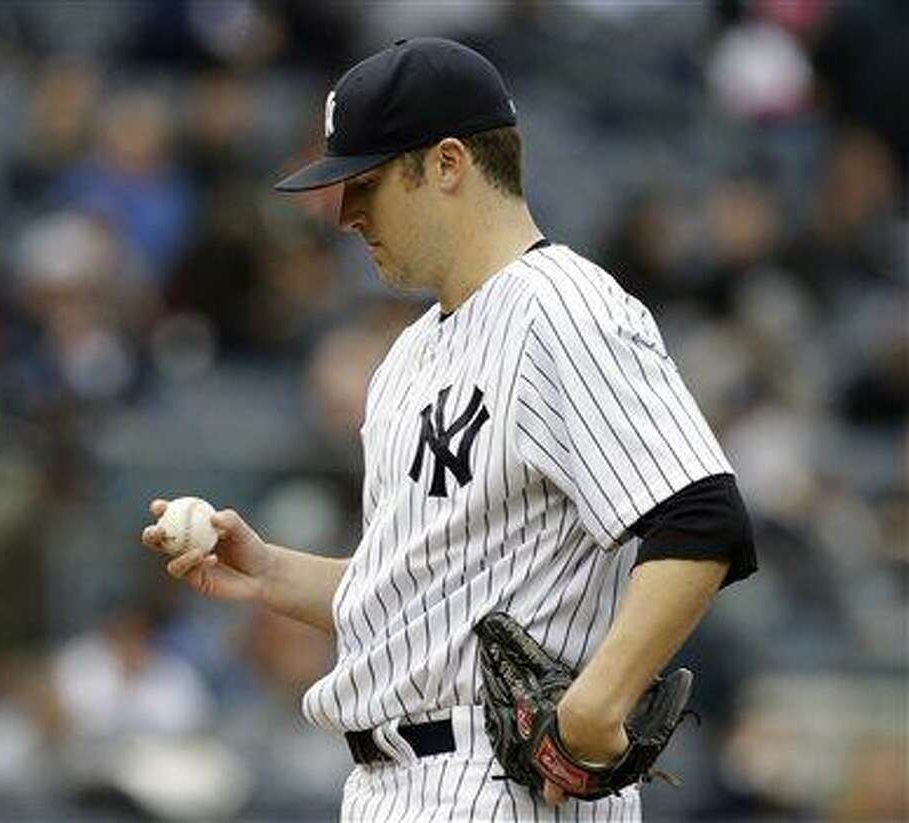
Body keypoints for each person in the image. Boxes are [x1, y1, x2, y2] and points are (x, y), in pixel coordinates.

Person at [141, 37, 756, 821]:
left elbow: (701, 516)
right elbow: (427, 599)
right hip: (390, 782)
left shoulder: (564, 309)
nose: (346, 215)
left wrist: (600, 701)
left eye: (364, 182)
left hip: (503, 779)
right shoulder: (411, 352)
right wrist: (268, 572)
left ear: (448, 163)